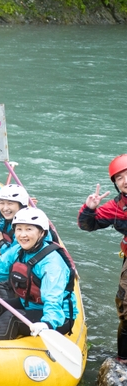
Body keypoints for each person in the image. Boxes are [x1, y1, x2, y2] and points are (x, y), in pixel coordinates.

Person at [0, 208, 77, 341]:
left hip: (59, 316)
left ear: (42, 233)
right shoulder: (17, 250)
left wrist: (47, 323)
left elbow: (53, 298)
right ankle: (0, 341)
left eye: (29, 229)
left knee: (10, 319)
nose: (22, 235)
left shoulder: (52, 264)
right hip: (29, 304)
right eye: (19, 229)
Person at [78, 154, 127, 360]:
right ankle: (123, 359)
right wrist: (89, 208)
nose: (125, 181)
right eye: (120, 178)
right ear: (115, 184)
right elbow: (87, 225)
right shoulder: (116, 207)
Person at [0, 184, 30, 265]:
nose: (5, 208)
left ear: (21, 205)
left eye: (10, 203)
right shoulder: (5, 220)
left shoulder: (27, 225)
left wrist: (1, 242)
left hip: (25, 265)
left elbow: (18, 257)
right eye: (2, 203)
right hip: (9, 255)